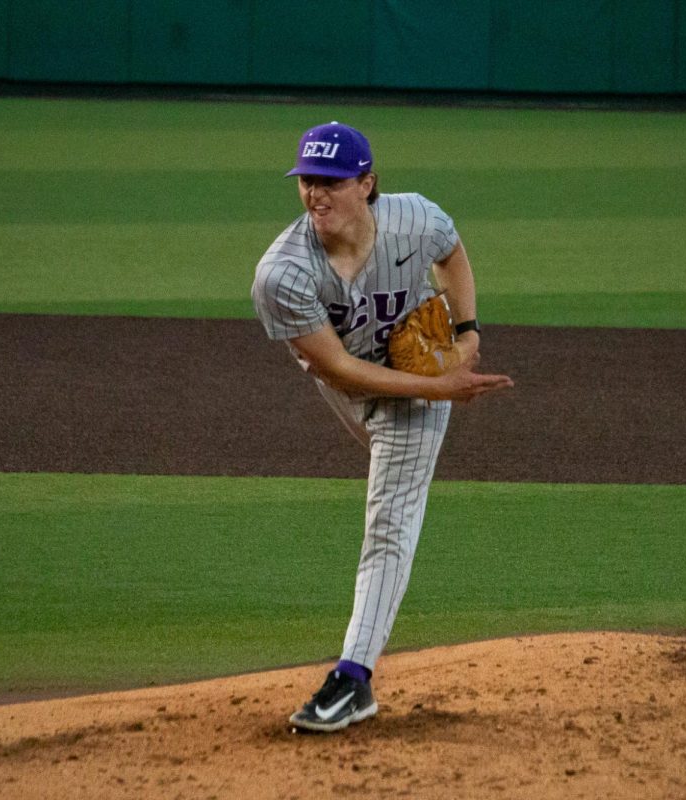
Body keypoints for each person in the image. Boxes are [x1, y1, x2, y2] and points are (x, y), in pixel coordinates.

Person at [251, 121, 513, 732]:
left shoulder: (415, 219)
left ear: (367, 184)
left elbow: (451, 250)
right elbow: (339, 367)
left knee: (389, 517)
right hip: (350, 388)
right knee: (388, 466)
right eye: (307, 182)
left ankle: (354, 678)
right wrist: (441, 385)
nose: (316, 195)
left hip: (412, 394)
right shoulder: (282, 274)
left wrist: (469, 332)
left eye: (332, 183)